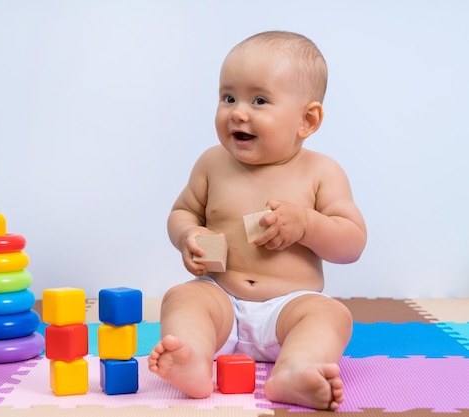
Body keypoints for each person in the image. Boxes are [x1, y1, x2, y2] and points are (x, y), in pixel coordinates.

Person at [148, 31, 367, 411]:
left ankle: (297, 369)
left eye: (260, 100)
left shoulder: (321, 172)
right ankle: (194, 357)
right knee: (182, 297)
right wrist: (188, 235)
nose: (238, 112)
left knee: (331, 314)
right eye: (228, 97)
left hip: (289, 308)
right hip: (221, 302)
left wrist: (307, 225)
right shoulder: (212, 163)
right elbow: (181, 211)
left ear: (307, 120)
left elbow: (352, 244)